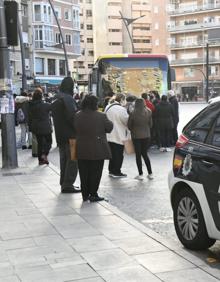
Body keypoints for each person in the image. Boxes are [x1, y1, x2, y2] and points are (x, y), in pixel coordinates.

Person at [75, 95, 113, 202]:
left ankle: (85, 194)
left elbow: (75, 128)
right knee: (96, 172)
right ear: (95, 104)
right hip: (98, 148)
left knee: (83, 172)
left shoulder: (77, 115)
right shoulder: (101, 116)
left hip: (81, 148)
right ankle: (93, 193)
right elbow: (110, 127)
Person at [51, 77, 80, 193]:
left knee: (64, 160)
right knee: (73, 160)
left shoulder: (57, 97)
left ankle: (64, 182)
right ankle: (68, 184)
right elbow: (73, 117)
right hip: (71, 136)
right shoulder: (67, 99)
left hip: (60, 135)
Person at [128, 98, 153, 180]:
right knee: (145, 154)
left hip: (136, 136)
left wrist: (134, 129)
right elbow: (151, 124)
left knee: (138, 155)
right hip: (147, 135)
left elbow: (129, 126)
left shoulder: (133, 113)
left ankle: (140, 174)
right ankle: (150, 173)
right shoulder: (148, 111)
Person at [105, 93, 129, 178]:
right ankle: (116, 171)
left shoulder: (108, 107)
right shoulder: (121, 109)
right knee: (118, 154)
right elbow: (126, 121)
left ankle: (111, 170)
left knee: (112, 154)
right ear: (122, 100)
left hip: (109, 135)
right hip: (119, 135)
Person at [28, 88, 52, 165]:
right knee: (49, 141)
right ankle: (44, 155)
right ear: (41, 96)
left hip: (36, 127)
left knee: (40, 144)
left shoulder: (31, 105)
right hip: (45, 127)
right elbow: (52, 107)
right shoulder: (45, 105)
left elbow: (29, 116)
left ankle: (40, 160)